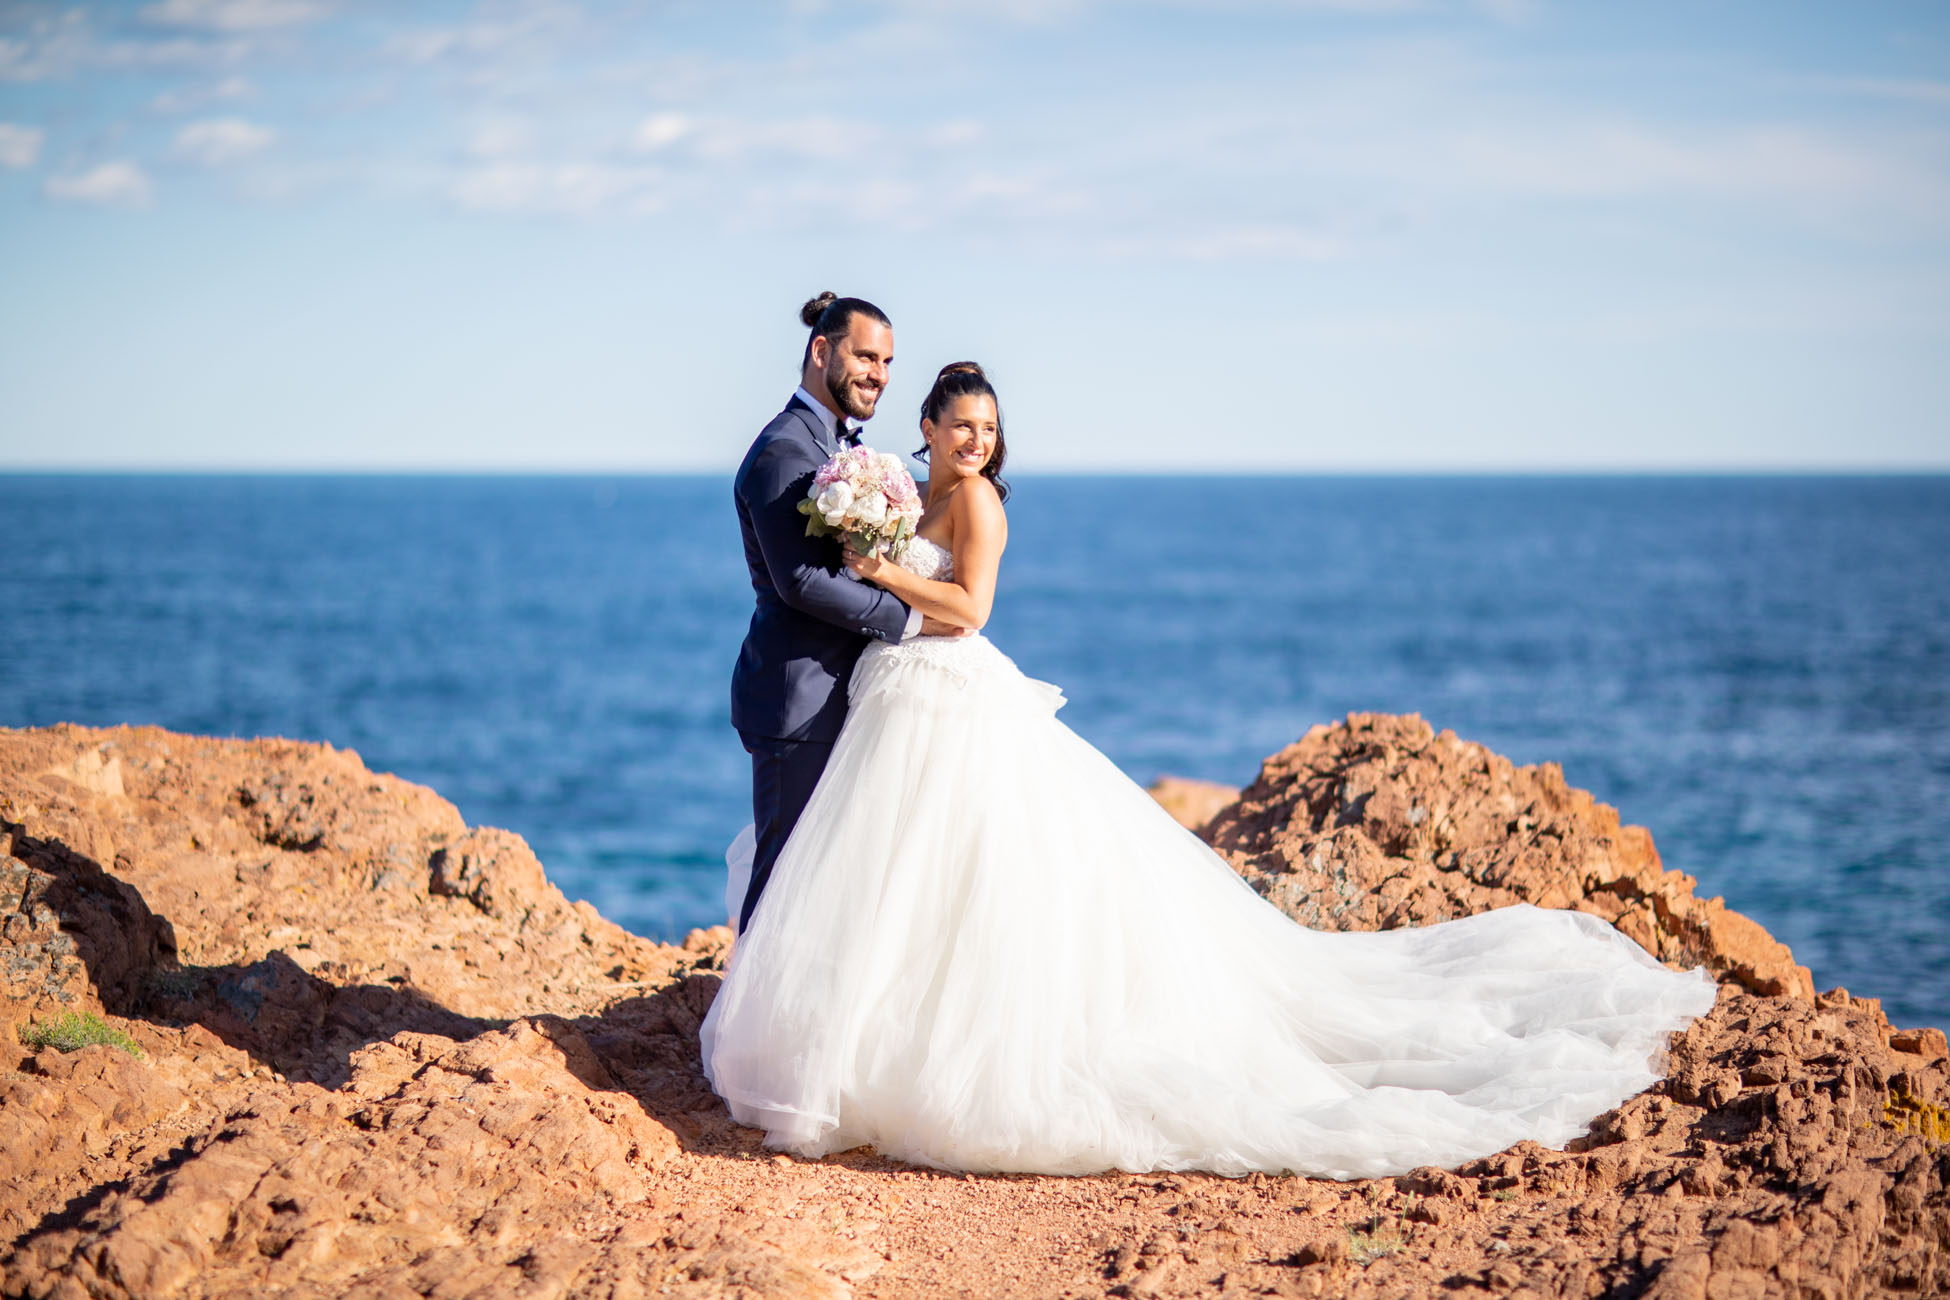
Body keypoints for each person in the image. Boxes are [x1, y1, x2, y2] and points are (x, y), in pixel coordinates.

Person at [703, 359, 1718, 1180]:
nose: (977, 442)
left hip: (949, 692)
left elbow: (970, 611)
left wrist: (870, 568)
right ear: (925, 427)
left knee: (969, 873)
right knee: (898, 882)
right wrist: (869, 536)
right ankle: (873, 1040)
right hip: (893, 697)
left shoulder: (979, 507)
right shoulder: (906, 490)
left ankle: (936, 1061)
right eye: (962, 425)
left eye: (990, 429)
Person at [729, 292, 966, 935]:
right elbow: (803, 582)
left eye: (887, 362)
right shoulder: (786, 449)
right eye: (865, 356)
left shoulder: (829, 444)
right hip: (798, 698)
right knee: (784, 881)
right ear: (821, 351)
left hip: (842, 699)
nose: (879, 374)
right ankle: (743, 1035)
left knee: (825, 882)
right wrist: (915, 623)